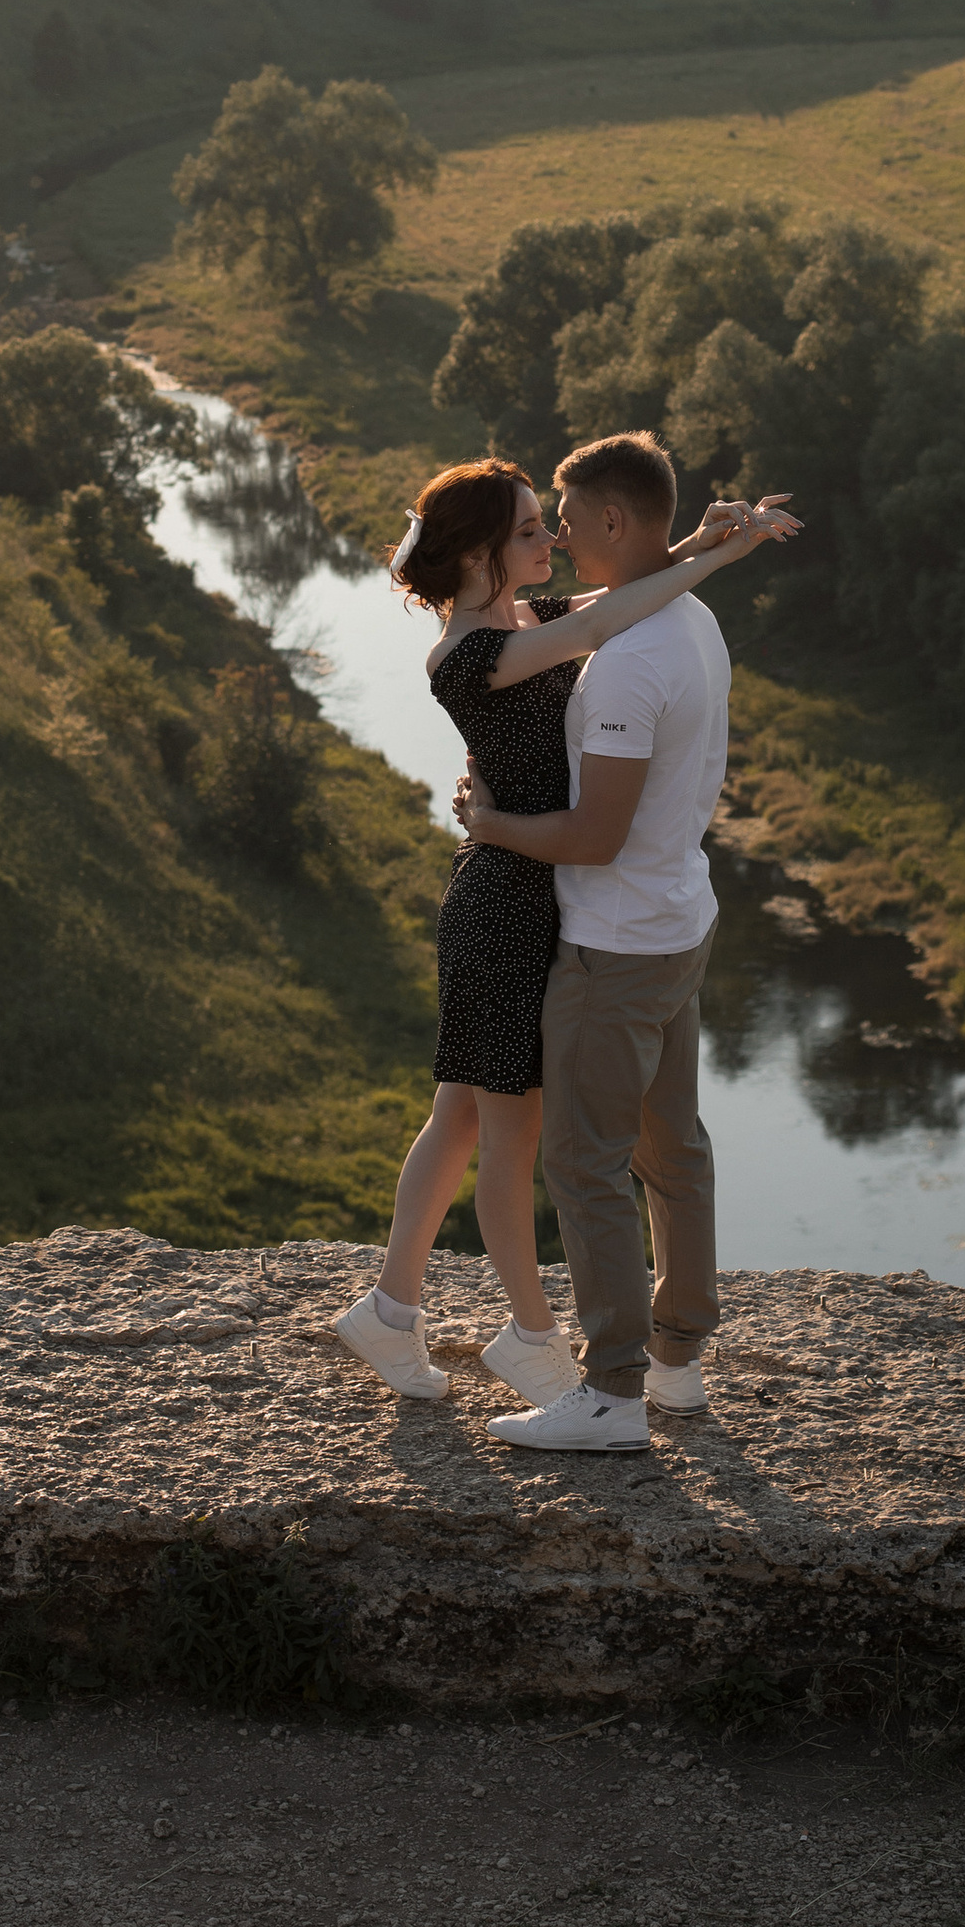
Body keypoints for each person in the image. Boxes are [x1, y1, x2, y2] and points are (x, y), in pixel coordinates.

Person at [334, 454, 797, 1409]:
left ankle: (387, 1310)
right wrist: (718, 559)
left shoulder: (523, 619)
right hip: (506, 905)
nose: (552, 540)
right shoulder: (471, 653)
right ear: (475, 556)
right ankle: (535, 1338)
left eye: (552, 525)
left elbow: (619, 590)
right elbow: (605, 621)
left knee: (460, 1113)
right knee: (510, 1135)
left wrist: (701, 542)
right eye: (529, 531)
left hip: (525, 888)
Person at [458, 429, 758, 1455]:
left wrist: (489, 824)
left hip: (615, 945)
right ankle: (677, 1367)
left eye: (573, 520)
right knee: (672, 1151)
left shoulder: (629, 665)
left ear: (617, 521)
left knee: (585, 1165)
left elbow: (593, 837)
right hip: (681, 923)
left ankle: (614, 1393)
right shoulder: (691, 618)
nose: (564, 538)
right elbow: (612, 602)